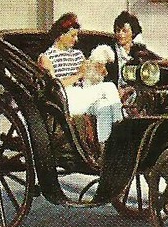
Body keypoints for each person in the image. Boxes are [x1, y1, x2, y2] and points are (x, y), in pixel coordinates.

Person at [38, 13, 123, 147]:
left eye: (76, 35)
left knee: (104, 108)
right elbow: (54, 86)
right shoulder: (47, 57)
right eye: (72, 35)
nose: (76, 39)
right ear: (61, 35)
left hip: (83, 95)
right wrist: (78, 75)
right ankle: (122, 127)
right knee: (110, 87)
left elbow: (89, 78)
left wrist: (99, 70)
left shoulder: (77, 54)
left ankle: (104, 150)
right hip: (65, 100)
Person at [112, 10, 159, 87]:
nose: (120, 34)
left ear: (133, 32)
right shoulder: (110, 51)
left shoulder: (140, 51)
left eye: (124, 31)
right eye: (118, 30)